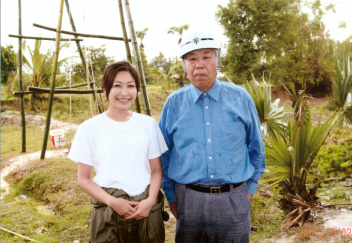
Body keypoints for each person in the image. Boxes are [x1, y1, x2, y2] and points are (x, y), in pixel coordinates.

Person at [159, 31, 266, 242]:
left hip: (233, 201)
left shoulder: (240, 98)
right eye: (192, 59)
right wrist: (171, 196)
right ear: (184, 65)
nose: (199, 64)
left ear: (217, 61)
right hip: (188, 202)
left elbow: (256, 150)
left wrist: (249, 192)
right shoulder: (173, 104)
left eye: (206, 57)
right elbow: (163, 153)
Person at [68, 61, 168, 243]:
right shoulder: (89, 128)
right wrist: (112, 202)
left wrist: (150, 200)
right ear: (105, 89)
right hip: (109, 211)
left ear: (137, 90)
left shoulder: (148, 124)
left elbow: (156, 171)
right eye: (117, 86)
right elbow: (84, 179)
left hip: (146, 210)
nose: (124, 93)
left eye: (130, 86)